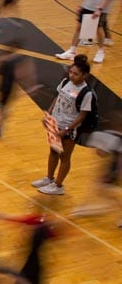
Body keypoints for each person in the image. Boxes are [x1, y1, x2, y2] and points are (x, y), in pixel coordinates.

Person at [32, 54, 94, 196]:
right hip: (56, 123)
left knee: (64, 157)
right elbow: (57, 97)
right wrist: (48, 115)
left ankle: (59, 186)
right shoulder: (66, 82)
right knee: (53, 151)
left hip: (69, 129)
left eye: (76, 74)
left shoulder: (86, 93)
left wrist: (66, 129)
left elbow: (82, 116)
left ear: (85, 75)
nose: (72, 76)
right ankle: (49, 178)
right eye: (71, 72)